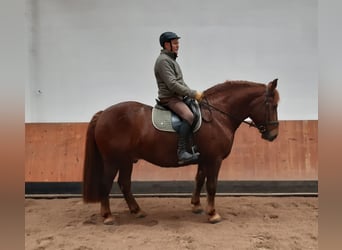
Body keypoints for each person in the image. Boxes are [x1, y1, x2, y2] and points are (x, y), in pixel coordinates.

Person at [154, 31, 204, 164]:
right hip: (169, 98)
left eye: (178, 43)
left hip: (178, 96)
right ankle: (181, 152)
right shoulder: (163, 61)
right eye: (175, 43)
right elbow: (172, 84)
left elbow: (180, 82)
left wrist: (191, 94)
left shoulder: (171, 60)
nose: (178, 46)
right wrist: (192, 93)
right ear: (167, 44)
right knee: (189, 116)